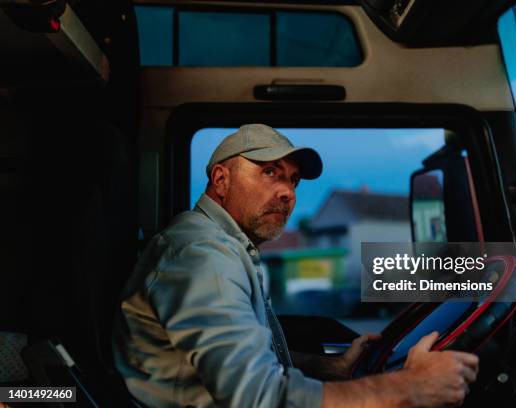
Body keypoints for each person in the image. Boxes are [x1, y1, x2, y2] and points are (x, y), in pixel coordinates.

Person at [113, 124, 479, 407]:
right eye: (270, 172)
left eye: (293, 180)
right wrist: (411, 387)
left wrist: (331, 368)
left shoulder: (225, 247)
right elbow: (259, 398)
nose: (287, 192)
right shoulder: (203, 256)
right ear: (221, 180)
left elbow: (250, 360)